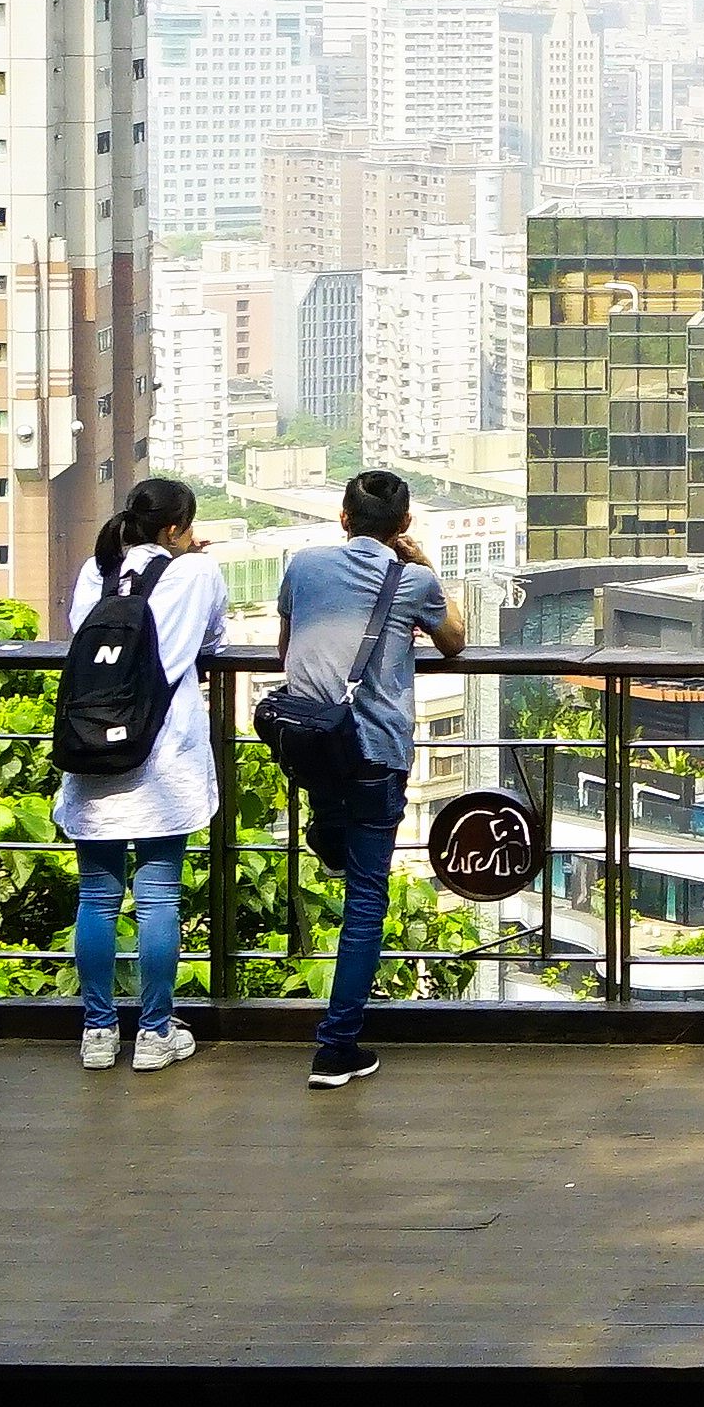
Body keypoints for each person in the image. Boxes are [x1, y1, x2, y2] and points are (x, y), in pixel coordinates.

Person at [270, 468, 467, 1093]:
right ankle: (336, 1047)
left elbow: (285, 646)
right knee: (365, 899)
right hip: (375, 751)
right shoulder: (414, 580)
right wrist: (423, 562)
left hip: (311, 742)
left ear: (343, 517)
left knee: (334, 840)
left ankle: (325, 832)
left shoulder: (303, 566)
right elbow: (455, 642)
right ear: (403, 525)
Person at [53, 476, 223, 1073]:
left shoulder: (93, 573)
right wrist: (191, 563)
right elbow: (214, 637)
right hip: (162, 756)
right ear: (177, 529)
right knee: (157, 897)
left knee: (96, 896)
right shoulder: (196, 573)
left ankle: (98, 1032)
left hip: (93, 747)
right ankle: (154, 1033)